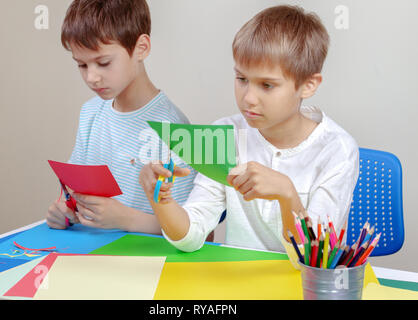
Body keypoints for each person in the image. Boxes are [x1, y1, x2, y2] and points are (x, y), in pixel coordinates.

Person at [139, 5, 359, 268]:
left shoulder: (337, 149)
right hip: (238, 281)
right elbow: (191, 236)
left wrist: (287, 194)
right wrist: (161, 200)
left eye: (267, 85)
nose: (248, 98)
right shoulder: (226, 134)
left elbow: (315, 260)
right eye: (241, 78)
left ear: (308, 85)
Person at [46, 0, 195, 234]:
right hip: (91, 255)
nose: (92, 77)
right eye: (82, 65)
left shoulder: (173, 129)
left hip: (147, 262)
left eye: (103, 63)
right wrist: (64, 212)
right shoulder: (91, 113)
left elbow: (194, 229)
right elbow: (72, 194)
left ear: (141, 48)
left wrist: (125, 219)